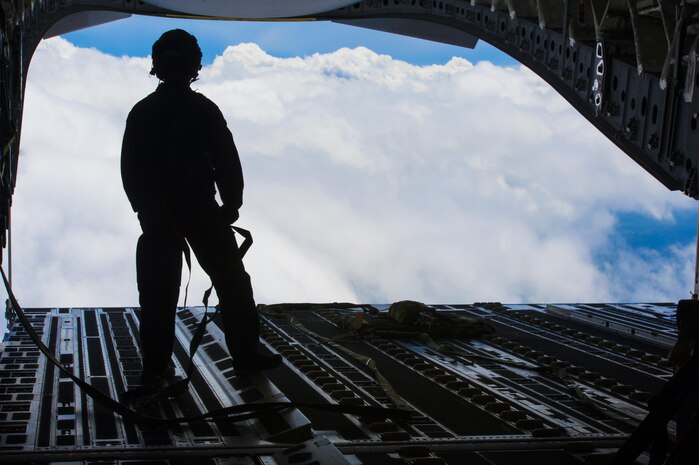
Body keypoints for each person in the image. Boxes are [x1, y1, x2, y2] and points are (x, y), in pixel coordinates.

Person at [121, 29, 281, 383]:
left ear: (157, 66)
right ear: (195, 67)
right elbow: (227, 161)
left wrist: (145, 209)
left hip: (159, 216)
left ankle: (156, 367)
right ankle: (245, 356)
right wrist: (231, 205)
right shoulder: (203, 109)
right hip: (201, 211)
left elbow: (130, 169)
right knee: (232, 284)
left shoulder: (143, 111)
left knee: (158, 293)